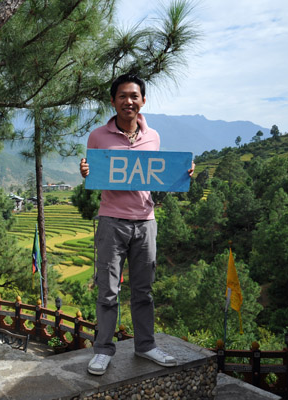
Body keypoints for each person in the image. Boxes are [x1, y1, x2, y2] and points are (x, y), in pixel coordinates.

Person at [80, 74, 194, 376]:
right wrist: (86, 171)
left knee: (143, 291)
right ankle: (103, 350)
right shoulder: (97, 136)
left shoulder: (153, 136)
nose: (128, 101)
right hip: (111, 223)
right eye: (122, 96)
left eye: (134, 96)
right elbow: (95, 170)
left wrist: (184, 173)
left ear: (143, 100)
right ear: (113, 100)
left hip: (145, 223)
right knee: (107, 291)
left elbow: (156, 175)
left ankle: (145, 345)